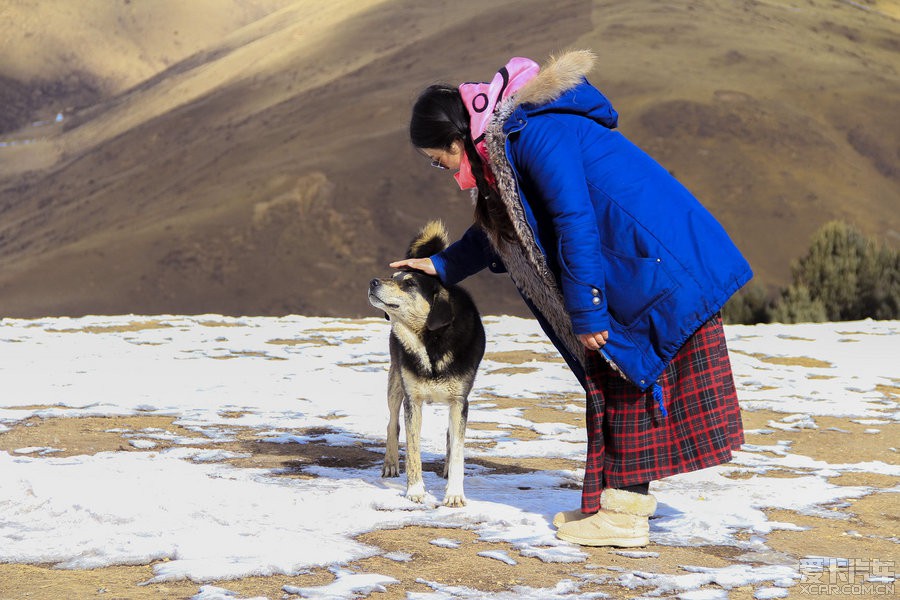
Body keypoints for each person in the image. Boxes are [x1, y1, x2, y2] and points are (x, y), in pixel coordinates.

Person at [391, 49, 751, 547]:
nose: (447, 173)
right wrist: (441, 265)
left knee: (624, 379)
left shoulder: (535, 132)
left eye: (440, 161)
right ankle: (615, 508)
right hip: (634, 264)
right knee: (616, 380)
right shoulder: (506, 145)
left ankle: (624, 519)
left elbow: (573, 219)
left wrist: (586, 309)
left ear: (457, 139)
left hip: (654, 263)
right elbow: (508, 227)